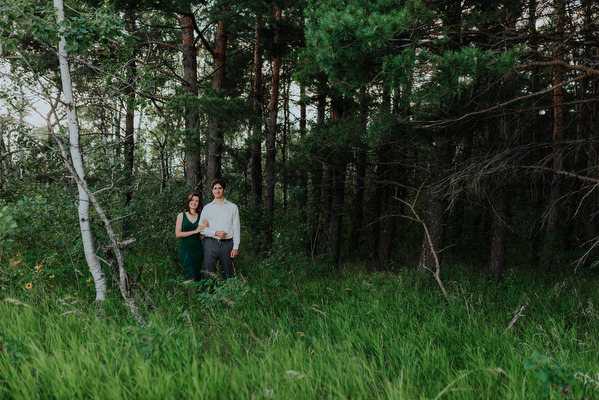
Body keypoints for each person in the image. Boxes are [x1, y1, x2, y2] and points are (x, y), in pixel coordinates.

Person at [200, 179, 240, 284]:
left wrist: (235, 247)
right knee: (208, 273)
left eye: (220, 188)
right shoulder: (207, 208)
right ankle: (208, 296)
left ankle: (228, 298)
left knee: (227, 274)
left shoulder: (232, 207)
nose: (217, 191)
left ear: (224, 190)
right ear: (212, 191)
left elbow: (236, 228)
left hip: (227, 245)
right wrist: (215, 232)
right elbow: (202, 229)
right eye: (215, 188)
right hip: (211, 243)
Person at [175, 192, 208, 284]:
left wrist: (206, 226)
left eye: (196, 201)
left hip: (197, 250)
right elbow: (178, 234)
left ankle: (192, 297)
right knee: (190, 276)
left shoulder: (201, 217)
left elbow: (201, 236)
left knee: (196, 277)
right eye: (192, 200)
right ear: (189, 202)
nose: (194, 202)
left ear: (199, 203)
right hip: (185, 249)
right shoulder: (181, 215)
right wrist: (195, 231)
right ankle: (184, 294)